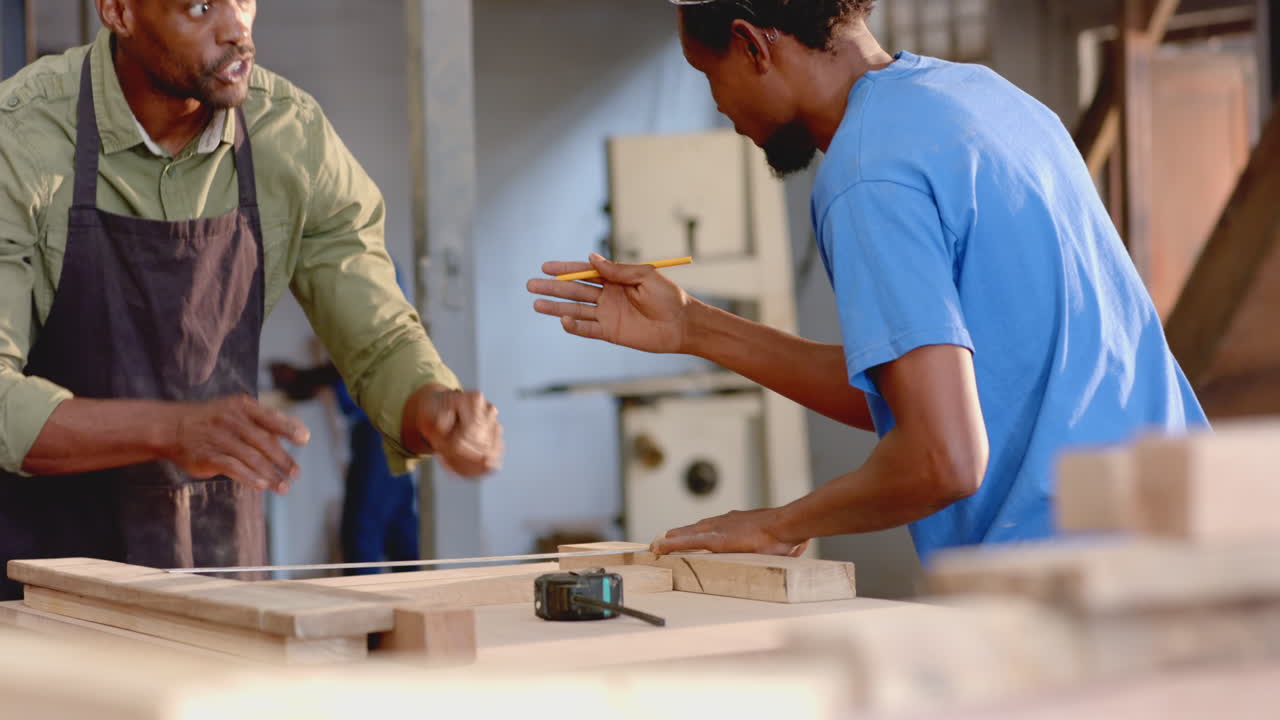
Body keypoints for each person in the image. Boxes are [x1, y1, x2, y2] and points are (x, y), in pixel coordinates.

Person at [527, 0, 1207, 563]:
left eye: (709, 76)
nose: (723, 110)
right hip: (1197, 533)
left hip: (1078, 577)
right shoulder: (992, 101)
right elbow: (930, 398)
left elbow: (943, 456)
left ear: (751, 45)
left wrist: (777, 524)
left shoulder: (865, 172)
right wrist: (692, 326)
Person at [0, 0, 502, 599]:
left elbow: (378, 335)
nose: (237, 28)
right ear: (118, 12)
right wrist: (172, 430)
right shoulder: (23, 136)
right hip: (42, 577)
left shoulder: (290, 135)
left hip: (219, 567)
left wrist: (433, 408)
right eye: (200, 6)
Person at [270, 361, 420, 576]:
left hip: (376, 435)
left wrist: (300, 377)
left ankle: (363, 599)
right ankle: (413, 591)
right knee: (398, 522)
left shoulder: (350, 360)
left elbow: (330, 373)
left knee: (362, 528)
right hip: (392, 434)